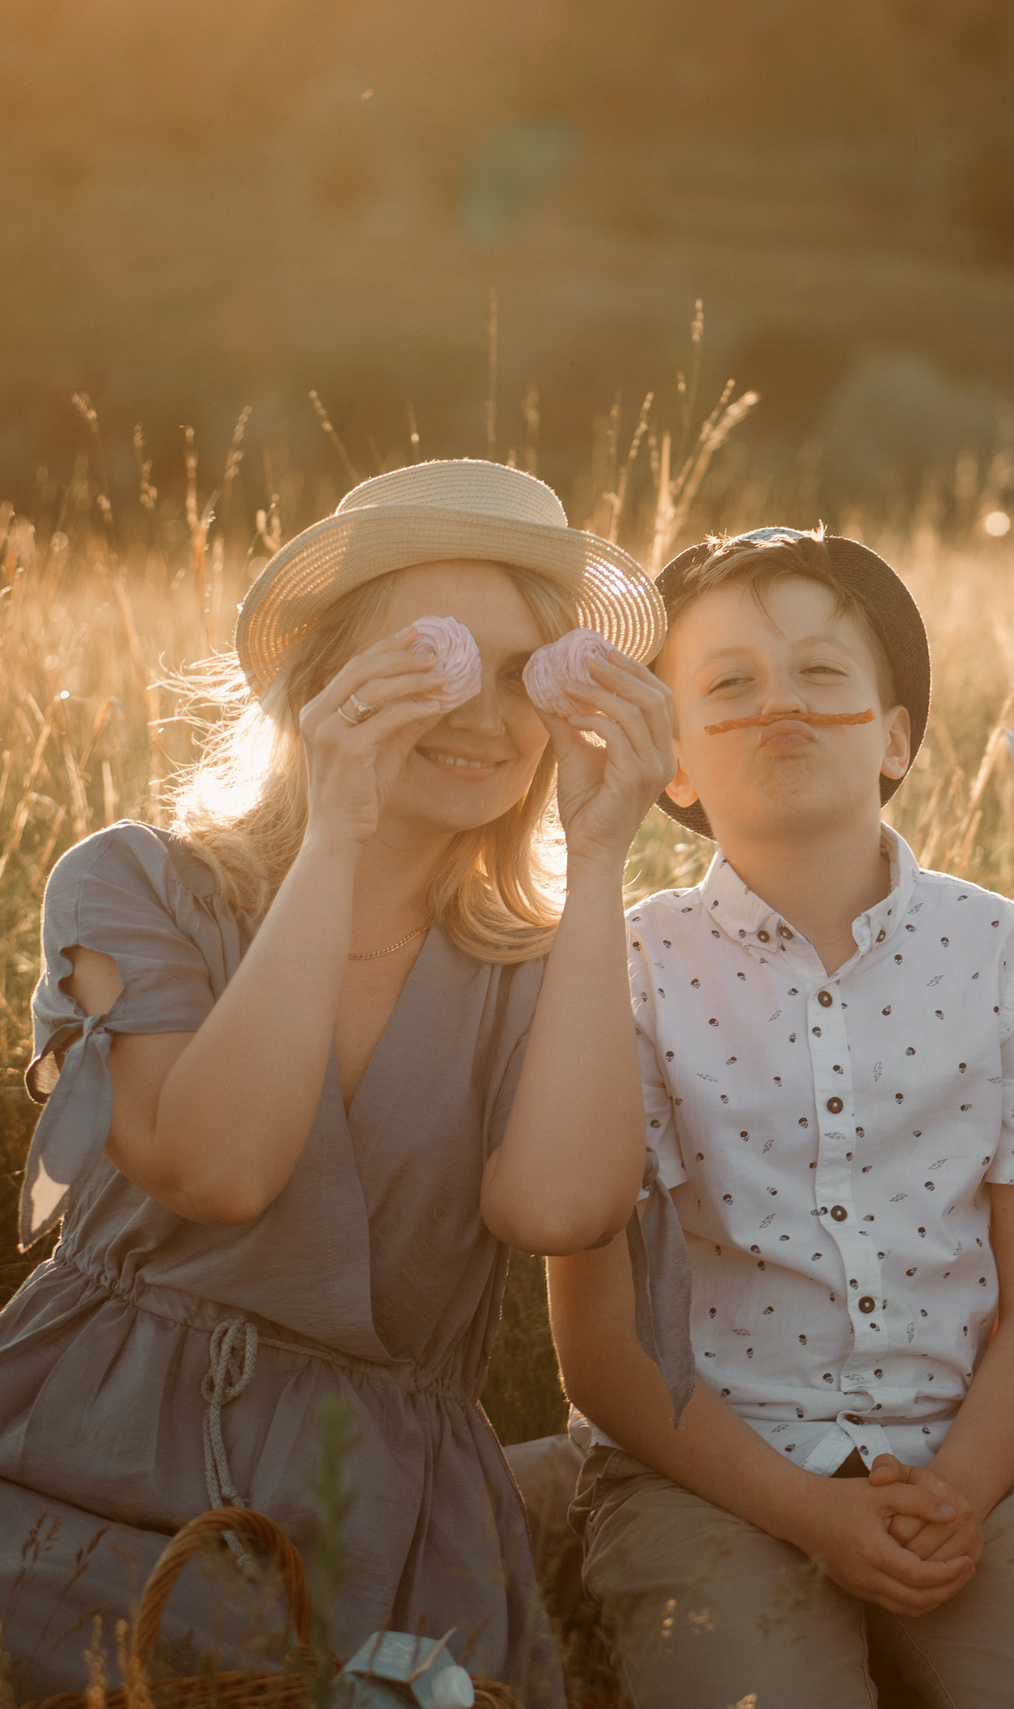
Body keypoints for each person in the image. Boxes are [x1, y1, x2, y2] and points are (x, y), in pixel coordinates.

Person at [0, 459, 682, 1705]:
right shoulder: (134, 887)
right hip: (93, 1459)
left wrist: (597, 854)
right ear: (322, 678)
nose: (484, 714)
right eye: (436, 661)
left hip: (383, 1518)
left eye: (526, 670)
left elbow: (559, 1209)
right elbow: (221, 1167)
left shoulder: (545, 962)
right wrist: (337, 829)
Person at [545, 527, 1014, 1709]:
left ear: (895, 736)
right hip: (705, 1472)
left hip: (965, 1462)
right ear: (672, 759)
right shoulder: (623, 970)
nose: (782, 705)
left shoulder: (1008, 959)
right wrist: (811, 1512)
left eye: (823, 673)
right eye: (729, 683)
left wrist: (960, 1493)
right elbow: (602, 1348)